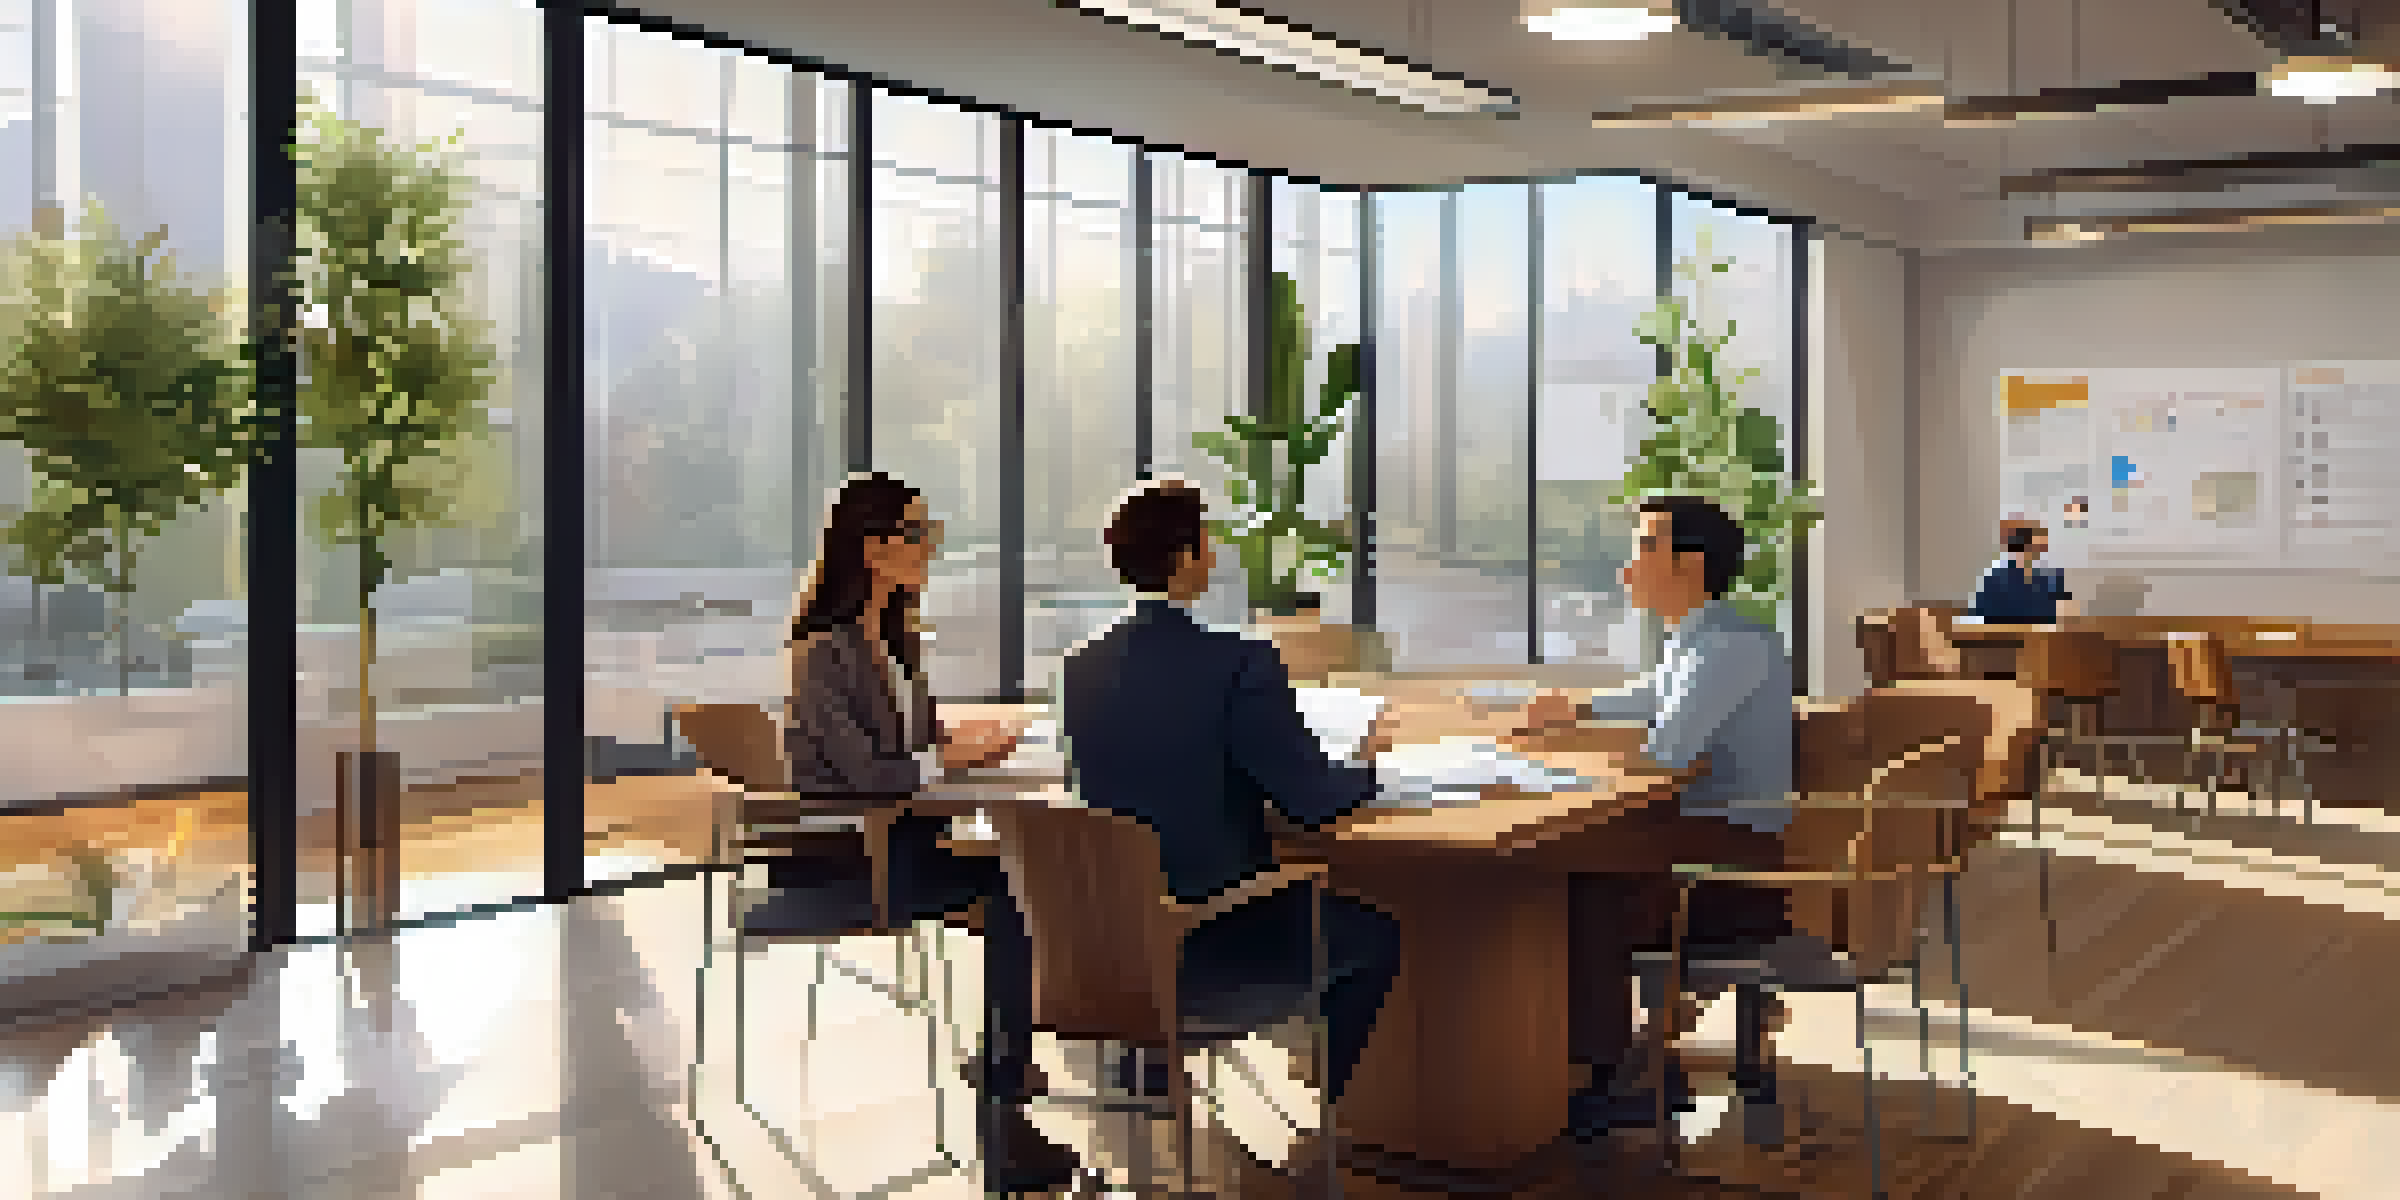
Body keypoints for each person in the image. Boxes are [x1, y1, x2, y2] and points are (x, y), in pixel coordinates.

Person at [1058, 478, 1404, 1158]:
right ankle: (1324, 1128)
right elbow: (1311, 799)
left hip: (1105, 948)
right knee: (1374, 936)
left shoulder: (1080, 666)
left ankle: (1152, 1066)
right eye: (1206, 540)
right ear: (1187, 556)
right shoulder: (1238, 660)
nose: (1213, 553)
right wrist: (1370, 767)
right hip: (1214, 940)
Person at [783, 472, 1077, 1194]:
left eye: (929, 531)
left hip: (902, 839)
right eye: (917, 533)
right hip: (851, 858)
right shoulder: (822, 651)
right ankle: (1007, 1091)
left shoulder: (891, 641)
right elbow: (866, 771)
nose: (930, 547)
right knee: (1013, 891)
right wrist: (948, 758)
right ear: (873, 548)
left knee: (1016, 883)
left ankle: (1008, 1062)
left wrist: (962, 738)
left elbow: (914, 740)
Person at [1512, 495, 1801, 1141]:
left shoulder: (1725, 648)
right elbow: (1657, 694)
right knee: (1578, 873)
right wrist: (1579, 710)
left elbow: (1667, 752)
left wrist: (1560, 771)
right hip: (1704, 838)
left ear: (1690, 565)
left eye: (1644, 547)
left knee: (1579, 892)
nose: (1627, 566)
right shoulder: (1706, 639)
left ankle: (1622, 1080)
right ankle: (1612, 1064)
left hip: (1728, 863)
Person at [1970, 520, 2072, 623]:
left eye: (2043, 546)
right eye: (2038, 546)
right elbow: (1983, 615)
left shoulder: (2053, 576)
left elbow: (2063, 611)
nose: (2042, 551)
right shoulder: (1996, 578)